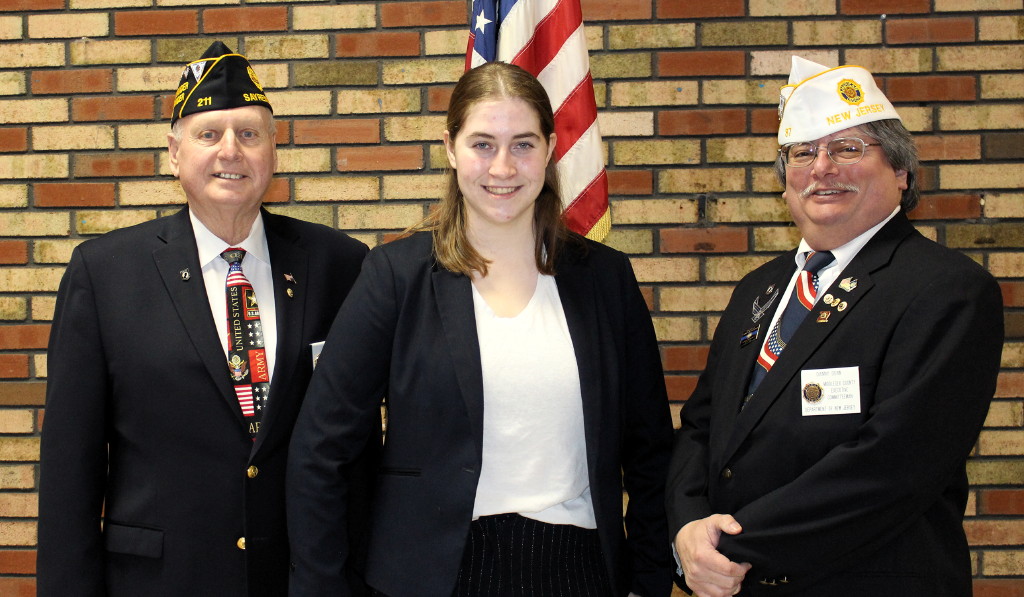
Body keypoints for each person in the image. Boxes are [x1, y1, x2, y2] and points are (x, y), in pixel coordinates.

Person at [286, 61, 675, 597]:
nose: (502, 167)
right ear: (450, 149)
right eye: (482, 144)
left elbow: (651, 450)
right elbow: (320, 448)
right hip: (431, 576)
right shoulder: (395, 277)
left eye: (522, 144)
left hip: (579, 573)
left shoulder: (605, 279)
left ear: (550, 148)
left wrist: (649, 579)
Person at [37, 42, 374, 597]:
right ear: (173, 153)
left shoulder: (340, 265)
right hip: (159, 581)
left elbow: (360, 450)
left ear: (273, 148)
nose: (230, 151)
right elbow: (70, 469)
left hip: (303, 579)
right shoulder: (105, 274)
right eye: (208, 134)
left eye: (249, 133)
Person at [665, 56, 1004, 597]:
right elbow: (704, 427)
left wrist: (727, 548)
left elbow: (891, 467)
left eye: (848, 148)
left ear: (900, 172)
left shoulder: (947, 290)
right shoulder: (758, 288)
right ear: (784, 185)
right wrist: (686, 532)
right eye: (803, 152)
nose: (822, 168)